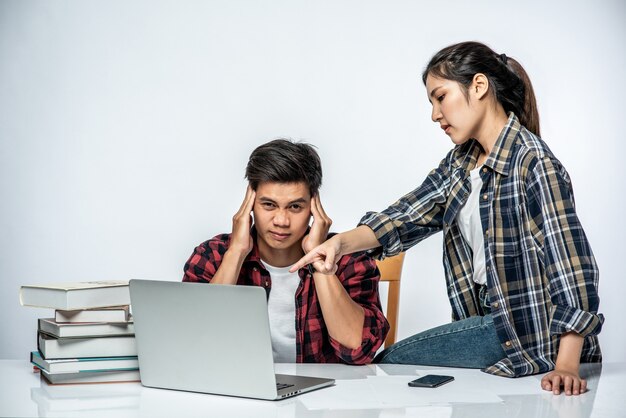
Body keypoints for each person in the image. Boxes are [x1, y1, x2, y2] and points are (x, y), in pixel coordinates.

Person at [291, 42, 603, 395]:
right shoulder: (461, 164)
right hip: (490, 322)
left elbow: (571, 265)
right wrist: (336, 244)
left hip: (527, 334)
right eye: (431, 103)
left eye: (440, 97)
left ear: (479, 86)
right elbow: (404, 216)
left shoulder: (532, 162)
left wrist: (566, 365)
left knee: (387, 366)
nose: (435, 114)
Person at [183, 139, 389, 364]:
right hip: (238, 394)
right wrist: (236, 252)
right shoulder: (213, 256)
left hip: (324, 396)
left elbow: (358, 352)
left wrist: (320, 261)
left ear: (313, 207)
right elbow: (192, 343)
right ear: (250, 204)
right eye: (269, 205)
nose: (281, 221)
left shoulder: (349, 260)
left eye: (295, 207)